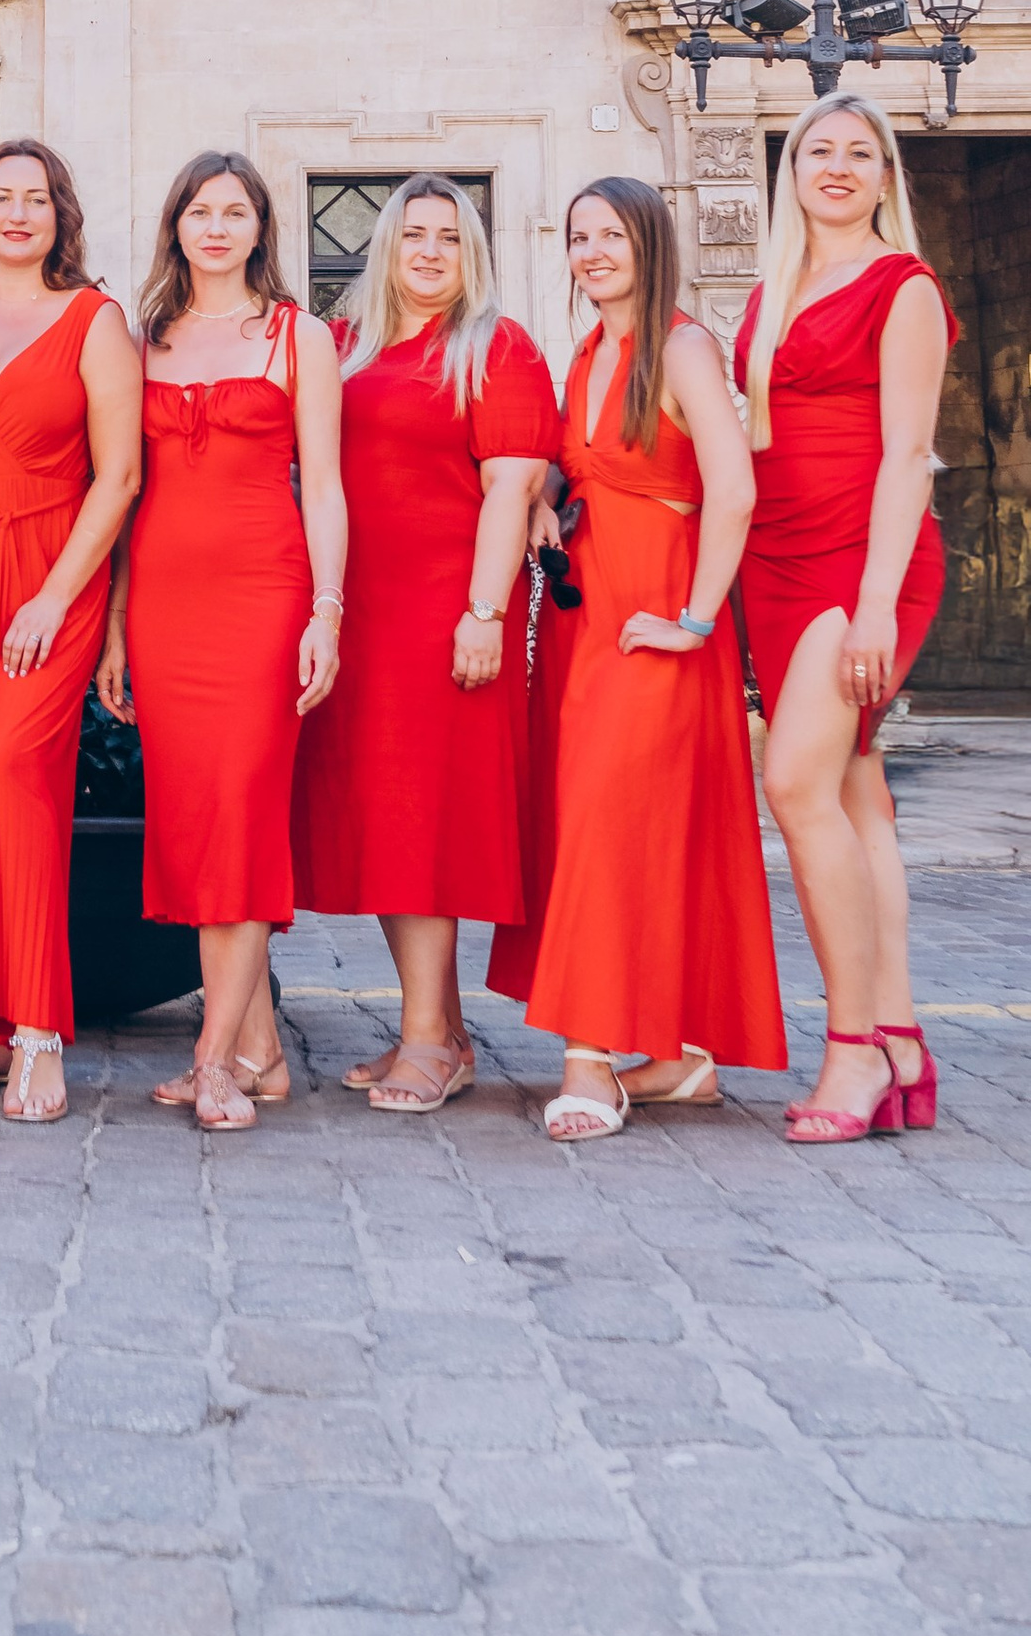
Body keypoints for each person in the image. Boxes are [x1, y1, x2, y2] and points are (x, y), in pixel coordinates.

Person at [488, 177, 783, 1139]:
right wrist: (542, 501)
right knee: (603, 820)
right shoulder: (588, 351)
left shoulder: (682, 346)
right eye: (577, 237)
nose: (592, 252)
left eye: (610, 235)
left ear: (651, 242)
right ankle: (676, 1059)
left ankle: (590, 1062)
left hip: (656, 620)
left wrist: (696, 621)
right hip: (588, 618)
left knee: (611, 825)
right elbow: (589, 470)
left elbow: (733, 491)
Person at [292, 175, 558, 1116]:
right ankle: (440, 1032)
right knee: (385, 821)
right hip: (357, 614)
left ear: (472, 251)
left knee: (424, 828)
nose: (432, 252)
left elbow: (511, 488)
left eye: (450, 236)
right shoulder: (347, 344)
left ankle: (424, 1042)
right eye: (415, 235)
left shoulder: (497, 345)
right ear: (386, 248)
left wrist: (484, 611)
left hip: (445, 618)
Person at [102, 152, 344, 1133]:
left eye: (233, 212)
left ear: (259, 230)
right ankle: (261, 1051)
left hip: (263, 600)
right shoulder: (140, 340)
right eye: (198, 211)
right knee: (197, 824)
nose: (215, 227)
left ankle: (213, 1057)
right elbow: (121, 495)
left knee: (241, 815)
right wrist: (115, 625)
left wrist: (328, 610)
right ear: (175, 226)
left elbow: (324, 486)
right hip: (161, 608)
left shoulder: (299, 336)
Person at [735, 91, 957, 1146]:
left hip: (858, 563)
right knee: (859, 798)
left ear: (883, 176)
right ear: (792, 172)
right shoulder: (774, 285)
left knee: (794, 784)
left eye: (858, 153)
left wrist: (874, 606)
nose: (835, 166)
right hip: (775, 560)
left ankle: (854, 1050)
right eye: (816, 150)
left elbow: (909, 454)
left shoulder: (901, 287)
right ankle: (905, 1038)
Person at [0, 144, 143, 1127]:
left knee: (16, 771)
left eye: (35, 199)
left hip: (52, 562)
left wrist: (57, 598)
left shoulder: (95, 323)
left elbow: (122, 477)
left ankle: (41, 1029)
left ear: (60, 215)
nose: (17, 214)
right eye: (1, 199)